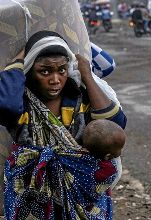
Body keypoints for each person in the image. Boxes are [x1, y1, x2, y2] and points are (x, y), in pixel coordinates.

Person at [0, 30, 127, 219]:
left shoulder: (79, 99)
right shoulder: (23, 103)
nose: (55, 80)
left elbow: (115, 123)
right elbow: (6, 105)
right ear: (29, 71)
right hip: (33, 197)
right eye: (44, 71)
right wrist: (18, 61)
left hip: (82, 197)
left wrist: (87, 75)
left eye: (62, 70)